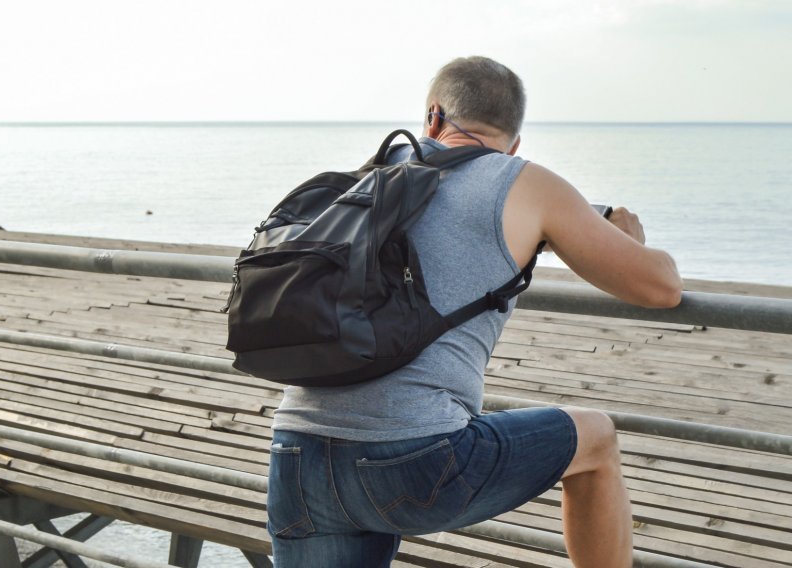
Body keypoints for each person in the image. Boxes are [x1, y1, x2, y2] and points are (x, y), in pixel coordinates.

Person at [267, 56, 683, 568]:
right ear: (514, 144)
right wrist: (621, 233)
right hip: (413, 461)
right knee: (596, 437)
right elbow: (659, 287)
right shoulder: (522, 182)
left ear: (433, 118)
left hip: (296, 453)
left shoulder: (370, 179)